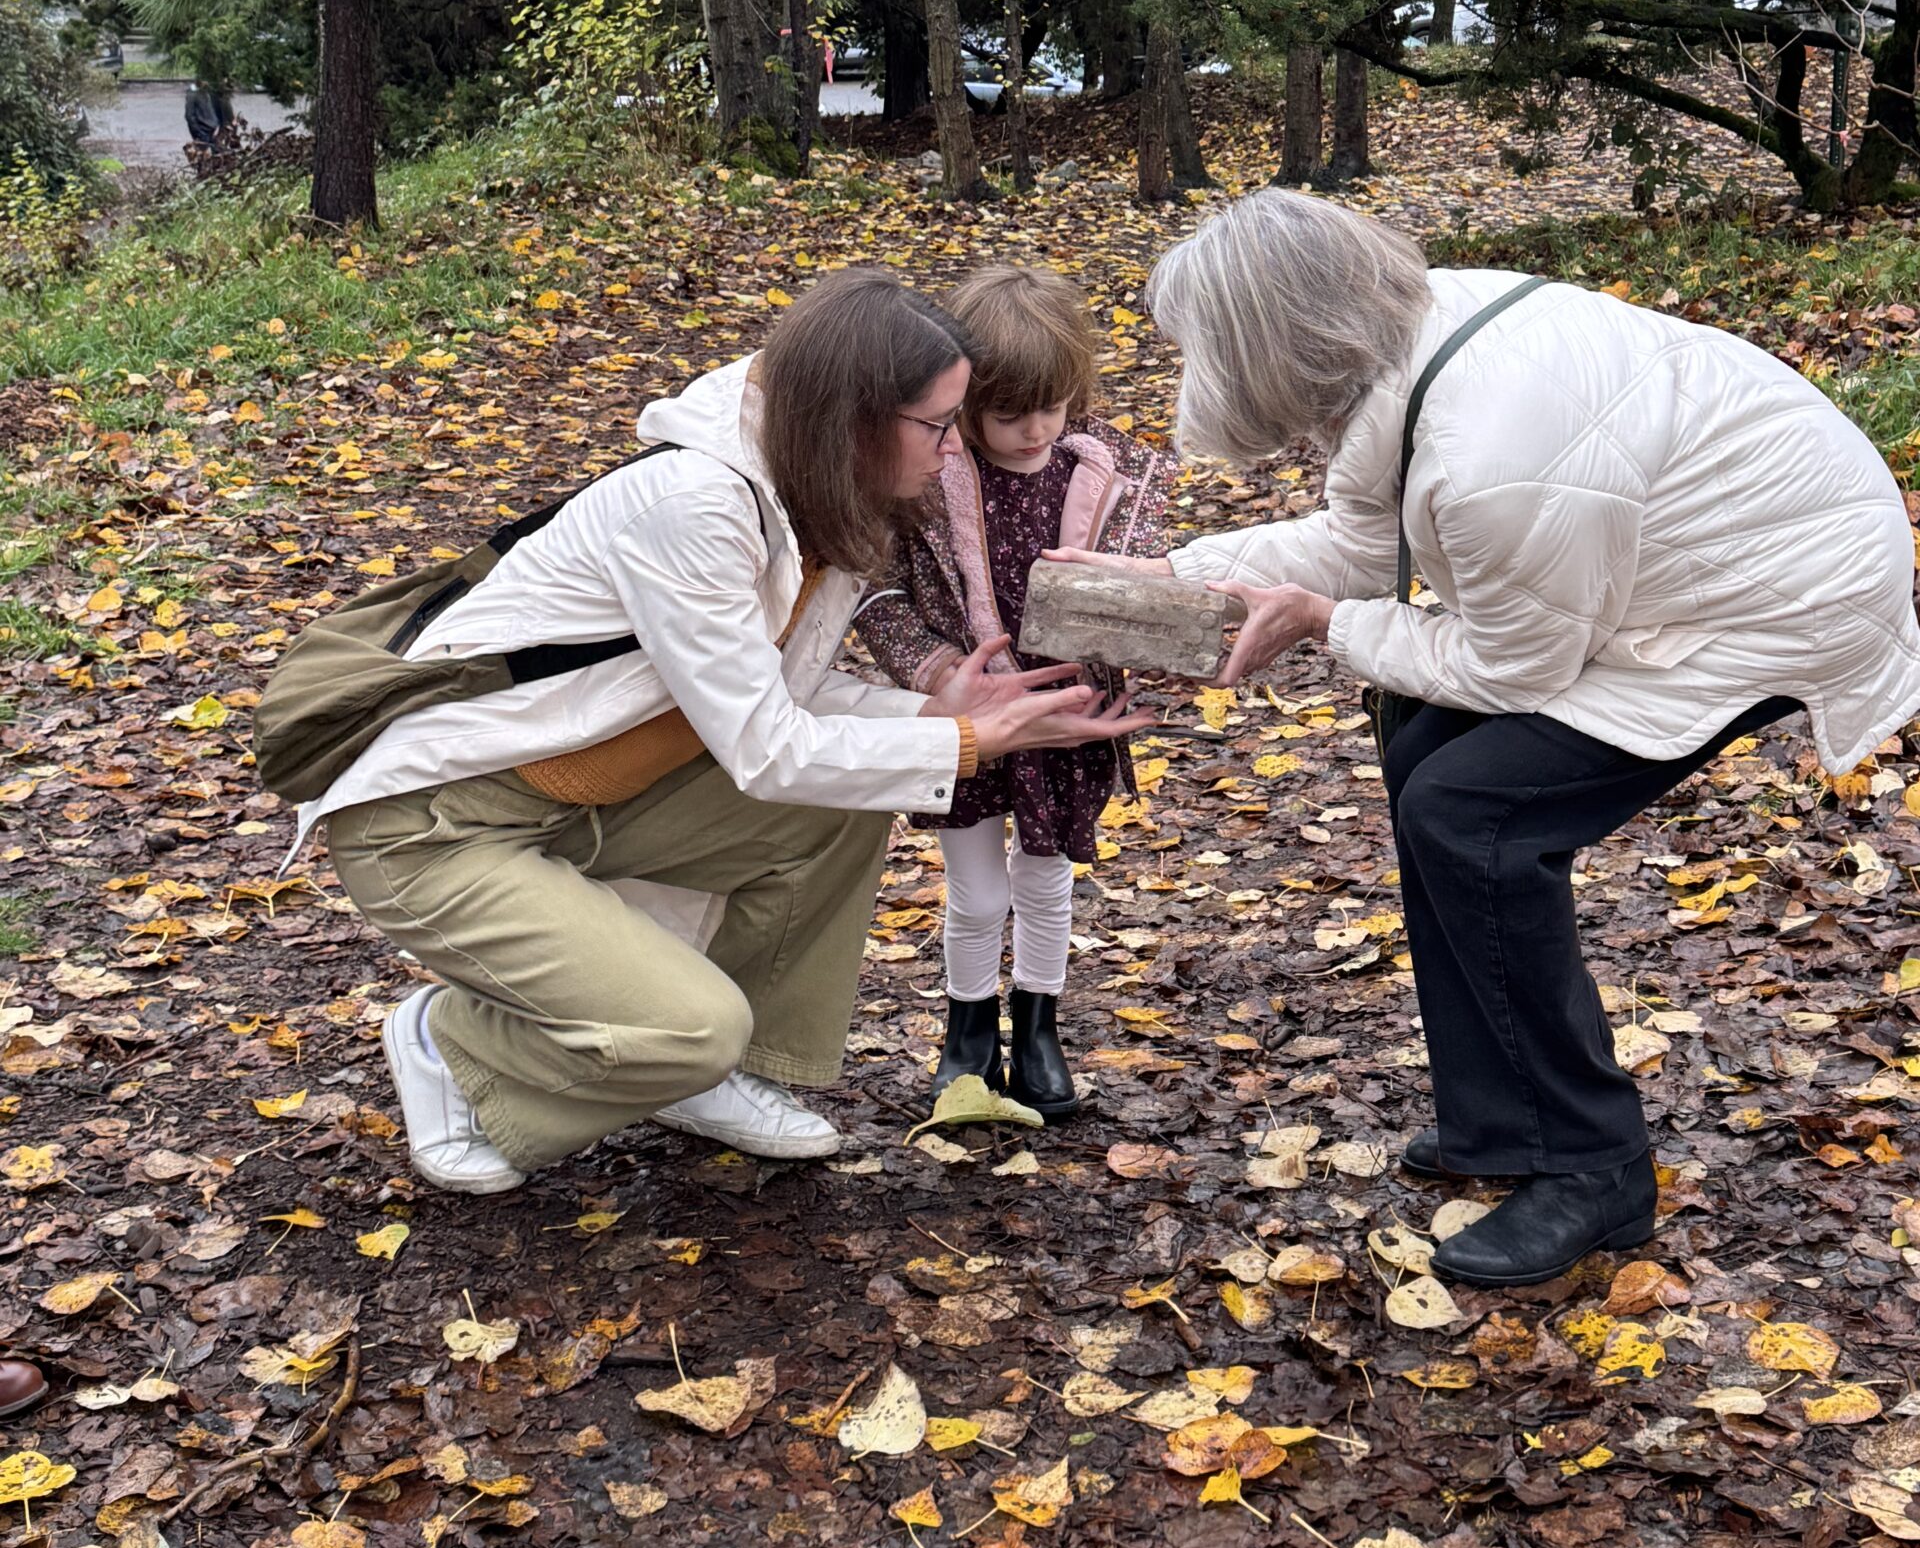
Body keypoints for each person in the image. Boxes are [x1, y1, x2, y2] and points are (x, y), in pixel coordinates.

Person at [1057, 190, 1920, 1287]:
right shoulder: (1412, 338)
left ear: (1274, 341)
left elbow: (1516, 667)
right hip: (1676, 566)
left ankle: (1593, 1165)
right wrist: (1181, 574)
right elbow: (1365, 535)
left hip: (1770, 598)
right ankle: (1500, 1120)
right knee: (1425, 746)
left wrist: (1327, 625)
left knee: (1475, 814)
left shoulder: (1490, 449)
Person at [303, 269, 1151, 1196]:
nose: (955, 452)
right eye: (939, 426)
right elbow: (766, 744)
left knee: (848, 803)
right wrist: (962, 743)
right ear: (855, 418)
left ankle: (720, 1077)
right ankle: (456, 1047)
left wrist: (939, 713)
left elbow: (786, 695)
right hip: (435, 825)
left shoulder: (819, 488)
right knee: (689, 1026)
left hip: (597, 795)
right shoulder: (696, 507)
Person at [859, 265, 1170, 1118]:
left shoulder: (1114, 476)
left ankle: (1039, 1025)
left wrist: (1131, 656)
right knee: (977, 889)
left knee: (1044, 878)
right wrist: (933, 677)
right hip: (972, 723)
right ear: (961, 403)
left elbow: (1156, 595)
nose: (1035, 430)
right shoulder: (922, 482)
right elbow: (881, 600)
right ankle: (966, 1032)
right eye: (1008, 413)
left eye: (1054, 407)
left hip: (1068, 720)